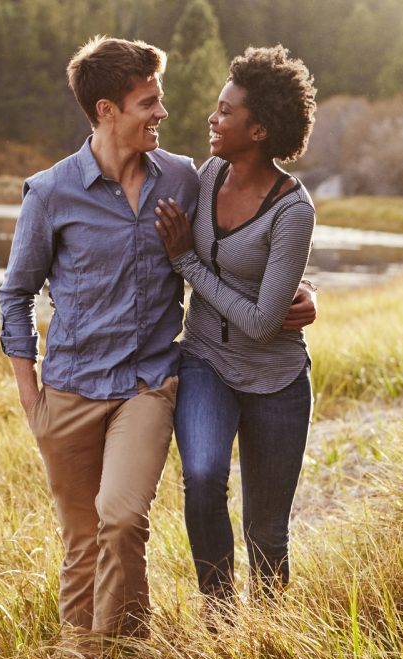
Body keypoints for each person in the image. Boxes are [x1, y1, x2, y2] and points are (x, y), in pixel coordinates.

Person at [0, 36, 314, 639]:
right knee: (84, 540)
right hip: (71, 385)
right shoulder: (52, 193)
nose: (166, 113)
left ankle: (219, 638)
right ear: (107, 110)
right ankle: (99, 651)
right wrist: (26, 388)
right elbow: (16, 293)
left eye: (160, 98)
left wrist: (301, 291)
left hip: (151, 382)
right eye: (149, 102)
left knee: (123, 519)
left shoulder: (181, 179)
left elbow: (250, 245)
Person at [153, 45, 318, 608]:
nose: (213, 118)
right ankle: (220, 618)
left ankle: (269, 637)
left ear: (260, 129)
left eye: (226, 111)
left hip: (276, 379)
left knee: (266, 532)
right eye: (217, 107)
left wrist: (187, 263)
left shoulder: (294, 209)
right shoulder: (208, 172)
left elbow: (257, 323)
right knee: (201, 479)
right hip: (204, 361)